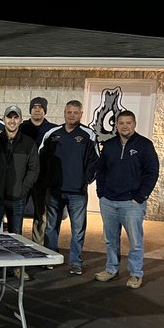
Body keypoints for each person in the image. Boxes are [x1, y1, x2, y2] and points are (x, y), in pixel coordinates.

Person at [94, 110, 159, 289]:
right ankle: (111, 269)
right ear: (116, 125)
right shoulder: (109, 145)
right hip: (109, 201)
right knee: (110, 239)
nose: (124, 126)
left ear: (134, 124)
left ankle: (136, 274)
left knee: (135, 241)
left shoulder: (145, 145)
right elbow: (102, 170)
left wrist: (140, 197)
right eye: (121, 123)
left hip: (132, 203)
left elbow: (152, 172)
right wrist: (101, 193)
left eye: (128, 123)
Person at [41, 100, 99, 275]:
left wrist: (85, 180)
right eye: (69, 112)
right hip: (54, 190)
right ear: (64, 113)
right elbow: (41, 158)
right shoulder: (52, 133)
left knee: (78, 227)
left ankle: (75, 261)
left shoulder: (88, 134)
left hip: (77, 192)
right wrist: (47, 180)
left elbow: (95, 161)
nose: (72, 115)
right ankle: (51, 256)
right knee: (51, 226)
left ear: (81, 114)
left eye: (75, 112)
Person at [0, 106, 39, 280]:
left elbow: (33, 169)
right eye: (9, 117)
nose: (12, 121)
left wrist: (23, 190)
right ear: (4, 120)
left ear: (20, 121)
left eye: (16, 118)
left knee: (16, 235)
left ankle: (17, 267)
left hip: (17, 198)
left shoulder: (29, 143)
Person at [20, 97, 56, 244]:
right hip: (23, 178)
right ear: (30, 109)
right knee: (17, 212)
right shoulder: (22, 128)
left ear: (45, 111)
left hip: (42, 180)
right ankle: (16, 247)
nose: (37, 110)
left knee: (41, 215)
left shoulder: (53, 130)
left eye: (40, 107)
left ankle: (38, 248)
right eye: (34, 107)